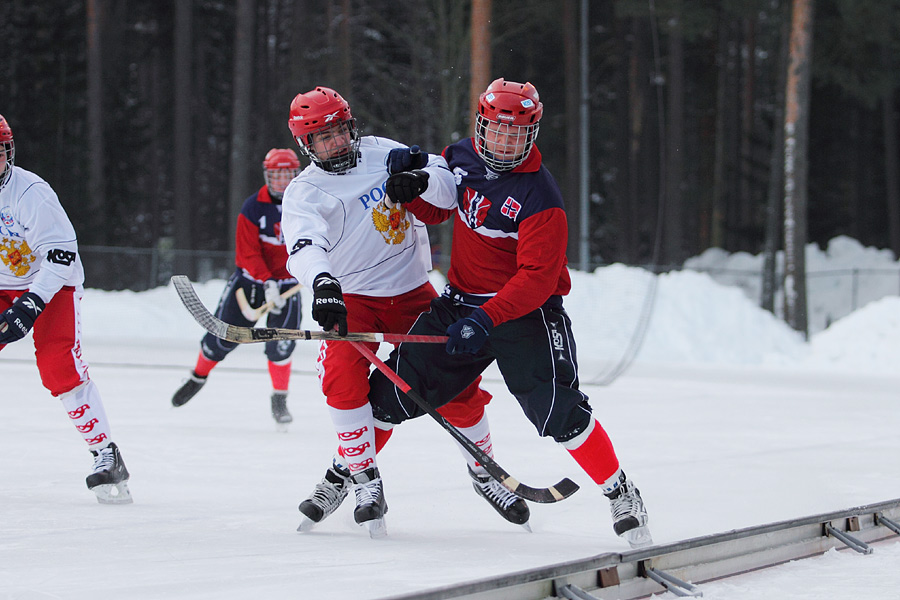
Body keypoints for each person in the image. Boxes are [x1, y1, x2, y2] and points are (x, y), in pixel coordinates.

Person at [371, 79, 653, 548]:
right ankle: (351, 475)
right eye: (495, 132)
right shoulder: (460, 157)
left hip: (525, 313)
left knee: (558, 413)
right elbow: (444, 211)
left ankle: (621, 492)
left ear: (532, 134)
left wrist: (486, 320)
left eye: (515, 135)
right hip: (460, 304)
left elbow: (537, 280)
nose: (503, 143)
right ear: (480, 126)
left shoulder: (541, 198)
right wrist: (409, 194)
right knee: (388, 394)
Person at [281, 86, 526, 538]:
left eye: (339, 131)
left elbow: (446, 183)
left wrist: (421, 182)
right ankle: (363, 479)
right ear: (306, 145)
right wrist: (322, 282)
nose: (335, 143)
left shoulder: (384, 152)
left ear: (352, 126)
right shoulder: (304, 192)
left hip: (411, 291)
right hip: (352, 297)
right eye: (323, 138)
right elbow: (303, 245)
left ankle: (481, 470)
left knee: (456, 382)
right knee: (343, 377)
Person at [0, 113, 132, 504]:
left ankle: (105, 453)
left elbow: (61, 255)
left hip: (51, 282)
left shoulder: (29, 193)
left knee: (57, 362)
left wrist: (30, 304)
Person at [172, 148, 303, 427]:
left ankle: (279, 398)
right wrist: (267, 282)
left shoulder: (307, 202)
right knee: (222, 338)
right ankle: (198, 376)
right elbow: (248, 253)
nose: (282, 180)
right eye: (276, 174)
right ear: (268, 176)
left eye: (287, 174)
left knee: (282, 345)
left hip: (289, 286)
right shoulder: (253, 207)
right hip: (251, 285)